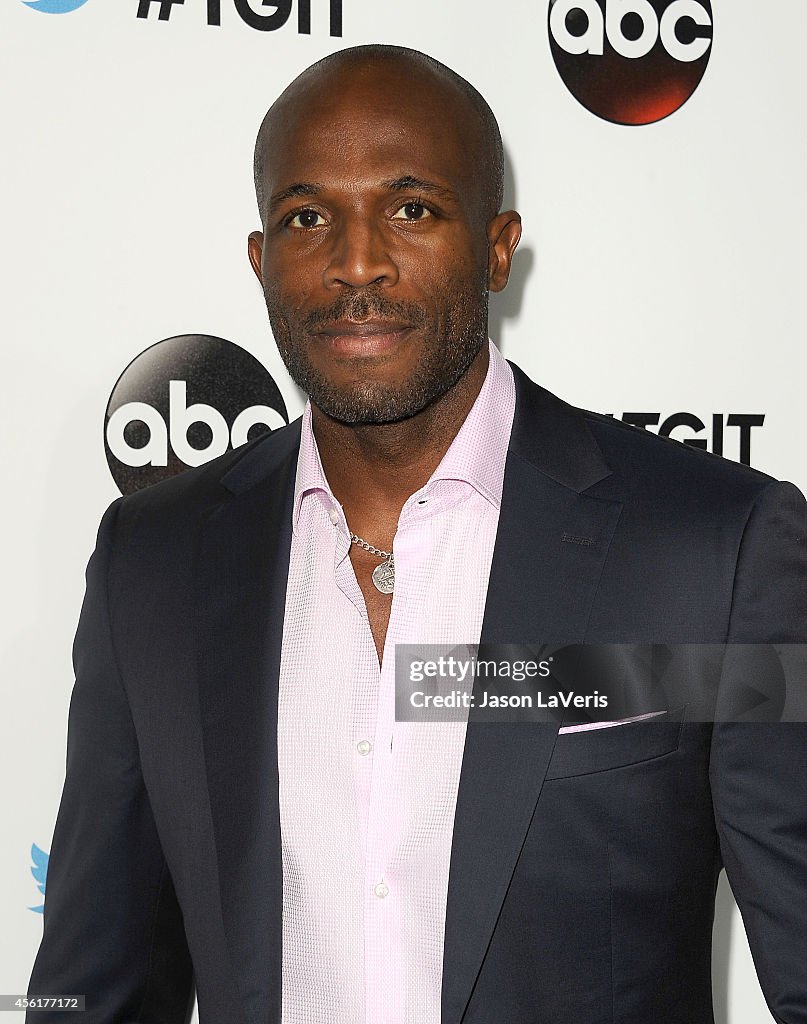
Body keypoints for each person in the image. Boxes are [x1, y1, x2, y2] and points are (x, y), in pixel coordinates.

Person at [27, 44, 807, 1024]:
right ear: (263, 260)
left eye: (412, 209)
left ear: (496, 244)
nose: (358, 261)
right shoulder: (156, 563)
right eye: (310, 217)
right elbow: (94, 988)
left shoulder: (711, 552)